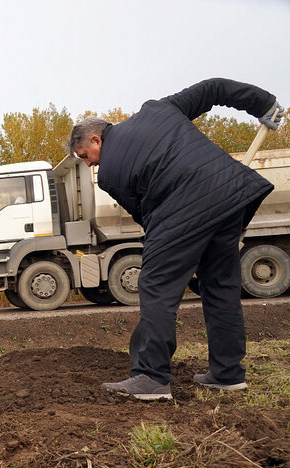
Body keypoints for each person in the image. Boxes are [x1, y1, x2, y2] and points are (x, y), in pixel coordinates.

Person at [67, 78, 283, 400]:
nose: (89, 164)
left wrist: (174, 258)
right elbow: (213, 89)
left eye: (85, 155)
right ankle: (228, 374)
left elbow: (149, 217)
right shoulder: (159, 109)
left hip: (183, 210)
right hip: (229, 196)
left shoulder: (109, 173)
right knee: (220, 286)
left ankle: (151, 377)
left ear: (96, 140)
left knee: (154, 285)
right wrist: (262, 103)